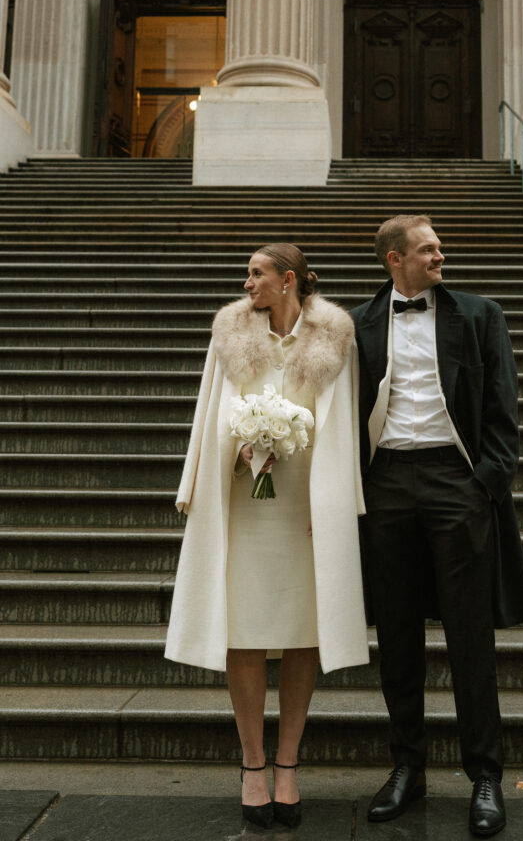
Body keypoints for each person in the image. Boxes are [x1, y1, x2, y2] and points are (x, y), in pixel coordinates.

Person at [165, 243, 369, 829]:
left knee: (306, 633)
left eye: (255, 273)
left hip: (308, 507)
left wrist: (338, 506)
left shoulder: (336, 337)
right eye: (247, 273)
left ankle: (288, 764)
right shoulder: (229, 332)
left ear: (288, 281)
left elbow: (349, 425)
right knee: (245, 632)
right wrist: (204, 478)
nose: (246, 282)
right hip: (243, 503)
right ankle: (253, 764)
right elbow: (209, 411)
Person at [351, 215, 523, 838]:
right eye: (428, 248)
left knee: (469, 637)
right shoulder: (358, 324)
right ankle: (408, 767)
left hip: (457, 483)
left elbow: (503, 408)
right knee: (398, 638)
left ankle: (485, 775)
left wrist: (487, 482)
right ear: (394, 260)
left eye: (439, 246)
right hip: (386, 485)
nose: (440, 255)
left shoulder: (480, 314)